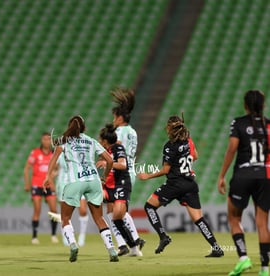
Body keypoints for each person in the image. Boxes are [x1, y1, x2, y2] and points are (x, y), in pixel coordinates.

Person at [138, 115, 224, 257]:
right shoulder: (188, 141)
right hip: (190, 184)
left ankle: (163, 236)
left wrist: (147, 176)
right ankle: (216, 247)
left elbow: (165, 170)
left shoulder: (169, 147)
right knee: (199, 219)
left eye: (167, 126)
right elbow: (195, 156)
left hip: (175, 184)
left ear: (171, 128)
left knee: (149, 206)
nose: (166, 128)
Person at [43, 115, 118, 262]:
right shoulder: (91, 140)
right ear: (84, 128)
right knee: (99, 218)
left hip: (75, 181)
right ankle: (111, 250)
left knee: (65, 218)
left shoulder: (64, 141)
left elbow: (53, 159)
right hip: (93, 180)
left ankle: (73, 245)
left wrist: (47, 177)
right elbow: (109, 160)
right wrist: (104, 177)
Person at [217, 90, 270, 276]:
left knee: (234, 218)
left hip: (243, 175)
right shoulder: (268, 125)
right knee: (262, 223)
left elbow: (232, 148)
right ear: (263, 105)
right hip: (264, 176)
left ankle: (243, 258)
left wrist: (222, 175)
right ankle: (265, 269)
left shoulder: (239, 123)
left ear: (245, 105)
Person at [110, 87, 144, 256]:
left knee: (116, 212)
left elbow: (116, 153)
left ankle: (128, 243)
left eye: (114, 117)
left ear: (120, 117)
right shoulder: (133, 132)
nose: (113, 120)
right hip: (130, 171)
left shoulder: (117, 133)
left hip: (120, 172)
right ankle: (132, 242)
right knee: (120, 211)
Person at [98, 123, 138, 255]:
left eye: (100, 140)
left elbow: (122, 165)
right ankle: (126, 245)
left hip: (121, 185)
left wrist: (107, 163)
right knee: (93, 197)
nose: (99, 142)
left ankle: (133, 245)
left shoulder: (117, 147)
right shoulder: (105, 152)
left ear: (105, 141)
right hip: (109, 186)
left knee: (117, 218)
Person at [24, 132, 59, 244]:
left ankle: (53, 235)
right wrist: (27, 184)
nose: (47, 141)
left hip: (48, 185)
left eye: (49, 139)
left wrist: (52, 178)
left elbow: (57, 169)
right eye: (44, 139)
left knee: (54, 210)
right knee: (37, 210)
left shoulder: (53, 154)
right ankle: (34, 236)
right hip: (37, 184)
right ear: (41, 141)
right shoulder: (35, 153)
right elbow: (26, 169)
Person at [48, 154, 89, 247]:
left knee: (83, 210)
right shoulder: (60, 153)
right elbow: (53, 168)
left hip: (79, 183)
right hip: (63, 184)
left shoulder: (79, 151)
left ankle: (82, 235)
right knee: (65, 214)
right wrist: (51, 180)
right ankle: (67, 235)